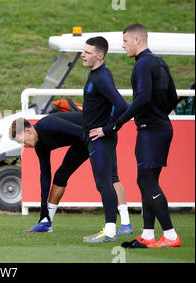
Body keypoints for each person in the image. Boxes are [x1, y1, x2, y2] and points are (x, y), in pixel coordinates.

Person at [94, 24, 180, 248]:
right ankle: (148, 235)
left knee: (147, 181)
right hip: (161, 127)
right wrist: (159, 113)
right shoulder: (160, 62)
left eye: (124, 41)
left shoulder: (142, 65)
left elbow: (142, 98)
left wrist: (116, 124)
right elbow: (174, 97)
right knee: (145, 182)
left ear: (137, 40)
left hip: (151, 131)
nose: (122, 46)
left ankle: (170, 235)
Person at [10, 112, 133, 234]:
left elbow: (82, 132)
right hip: (83, 140)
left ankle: (126, 224)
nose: (23, 145)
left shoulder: (48, 124)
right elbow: (45, 175)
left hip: (99, 133)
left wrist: (96, 154)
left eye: (21, 141)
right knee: (60, 177)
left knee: (111, 178)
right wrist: (43, 212)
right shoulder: (40, 146)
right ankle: (46, 223)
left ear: (28, 131)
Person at [80, 36, 128, 243]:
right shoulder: (97, 74)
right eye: (83, 51)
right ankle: (111, 228)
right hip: (96, 139)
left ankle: (109, 232)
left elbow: (122, 105)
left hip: (101, 140)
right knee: (106, 182)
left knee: (104, 184)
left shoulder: (101, 77)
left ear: (100, 56)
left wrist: (107, 129)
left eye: (88, 52)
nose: (83, 54)